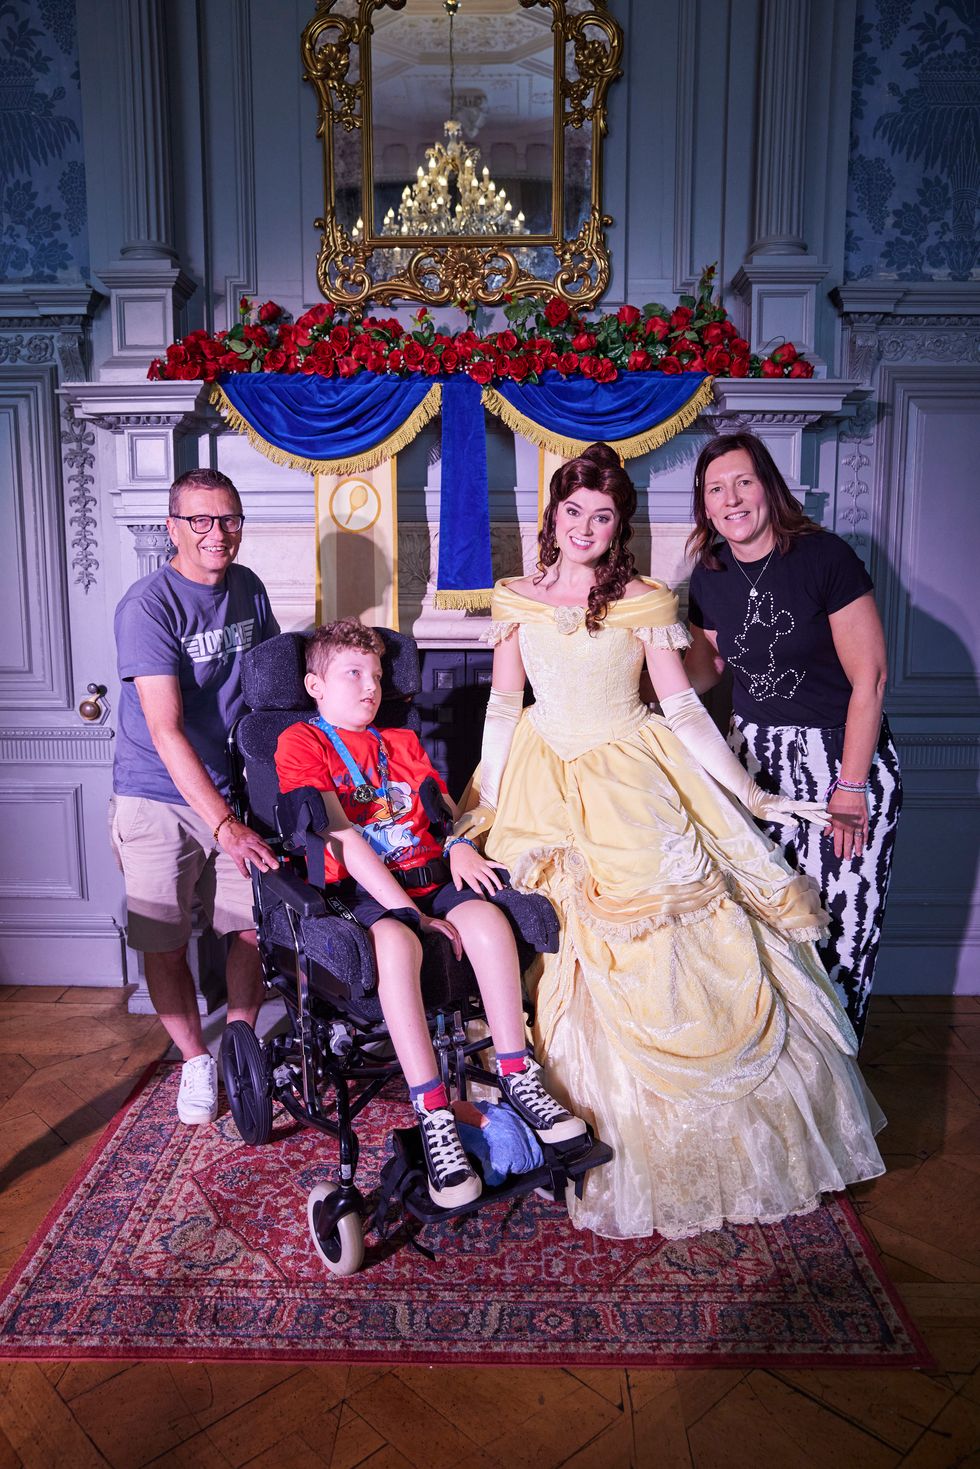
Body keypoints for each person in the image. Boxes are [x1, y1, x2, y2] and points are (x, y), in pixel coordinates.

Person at [466, 442, 885, 1240]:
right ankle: (549, 1120)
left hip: (631, 775)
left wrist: (748, 792)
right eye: (573, 511)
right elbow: (503, 705)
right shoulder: (515, 596)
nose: (585, 526)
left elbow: (684, 709)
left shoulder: (647, 599)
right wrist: (484, 802)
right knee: (556, 937)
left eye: (602, 516)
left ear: (618, 527)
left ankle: (717, 1151)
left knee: (674, 929)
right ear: (553, 516)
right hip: (543, 779)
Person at [274, 618, 586, 1210]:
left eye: (376, 675)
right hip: (363, 892)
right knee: (398, 945)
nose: (370, 686)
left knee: (489, 922)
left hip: (427, 876)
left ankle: (518, 1076)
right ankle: (435, 1111)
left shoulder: (401, 743)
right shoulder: (303, 742)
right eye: (352, 674)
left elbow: (440, 814)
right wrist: (409, 915)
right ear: (315, 686)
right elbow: (341, 835)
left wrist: (460, 845)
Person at [685, 432, 902, 1042]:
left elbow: (871, 679)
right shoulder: (710, 573)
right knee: (768, 926)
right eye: (715, 489)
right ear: (705, 506)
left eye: (743, 482)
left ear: (769, 488)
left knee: (841, 932)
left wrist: (850, 786)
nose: (731, 499)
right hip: (754, 764)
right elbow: (706, 668)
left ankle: (840, 1072)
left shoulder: (824, 557)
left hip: (841, 760)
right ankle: (786, 1078)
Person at [110, 468, 281, 1127]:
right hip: (157, 794)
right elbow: (165, 729)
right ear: (173, 528)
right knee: (164, 941)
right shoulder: (148, 606)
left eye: (229, 518)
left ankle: (238, 1047)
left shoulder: (249, 588)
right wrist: (224, 825)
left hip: (232, 786)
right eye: (200, 520)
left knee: (251, 927)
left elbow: (271, 688)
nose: (218, 533)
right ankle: (194, 1060)